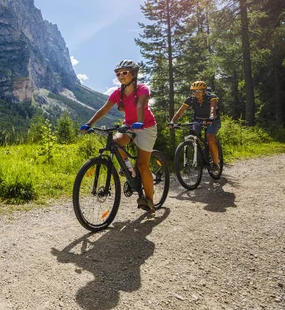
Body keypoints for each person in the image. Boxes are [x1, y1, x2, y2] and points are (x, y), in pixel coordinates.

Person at [80, 60, 158, 213]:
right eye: (118, 74)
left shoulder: (142, 89)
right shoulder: (118, 93)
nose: (120, 76)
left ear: (133, 74)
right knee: (116, 141)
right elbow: (104, 110)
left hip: (146, 126)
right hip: (129, 125)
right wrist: (89, 123)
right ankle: (129, 169)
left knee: (143, 165)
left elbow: (141, 105)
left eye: (124, 72)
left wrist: (140, 121)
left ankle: (148, 200)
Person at [169, 80, 221, 171]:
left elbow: (212, 109)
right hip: (198, 120)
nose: (196, 93)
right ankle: (200, 156)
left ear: (204, 91)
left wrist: (211, 117)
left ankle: (216, 163)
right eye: (194, 91)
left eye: (199, 91)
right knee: (194, 135)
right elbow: (180, 112)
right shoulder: (191, 100)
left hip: (212, 120)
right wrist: (172, 121)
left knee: (210, 137)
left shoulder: (211, 97)